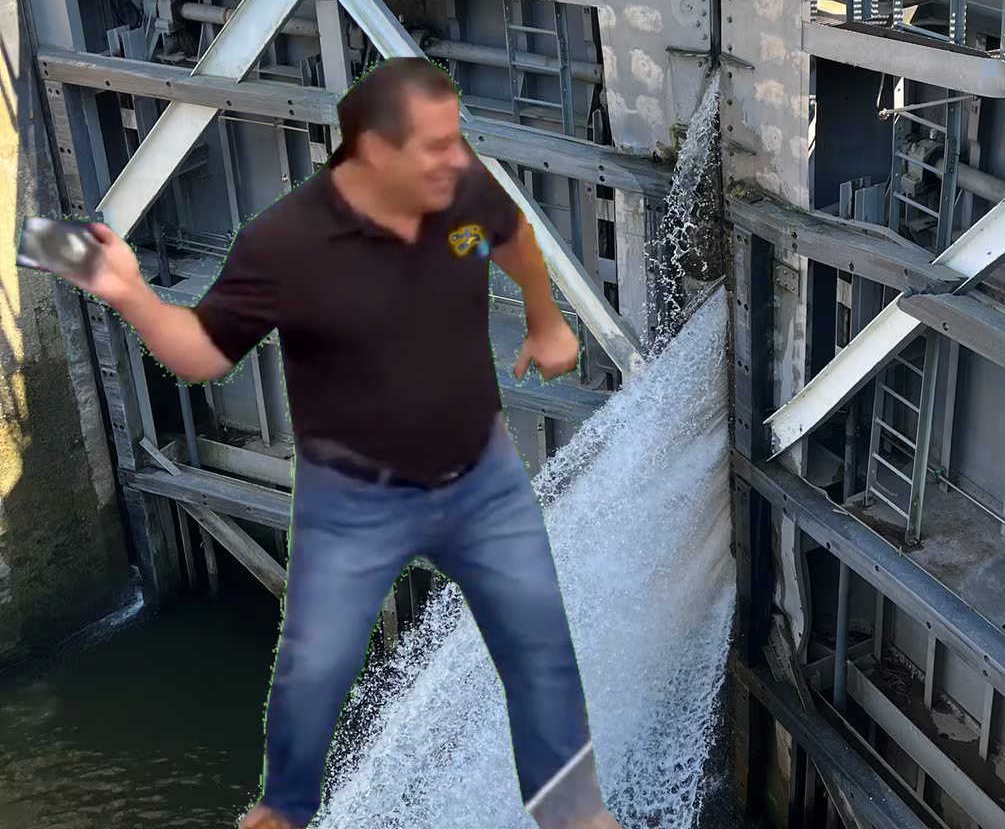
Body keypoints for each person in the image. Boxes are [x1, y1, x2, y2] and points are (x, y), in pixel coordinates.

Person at [66, 57, 623, 829]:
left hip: (483, 481)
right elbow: (201, 356)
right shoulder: (284, 243)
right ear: (376, 152)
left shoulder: (460, 190)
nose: (458, 158)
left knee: (542, 656)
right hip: (352, 501)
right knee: (314, 669)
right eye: (436, 145)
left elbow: (512, 234)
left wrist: (545, 317)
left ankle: (574, 815)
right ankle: (284, 811)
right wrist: (129, 291)